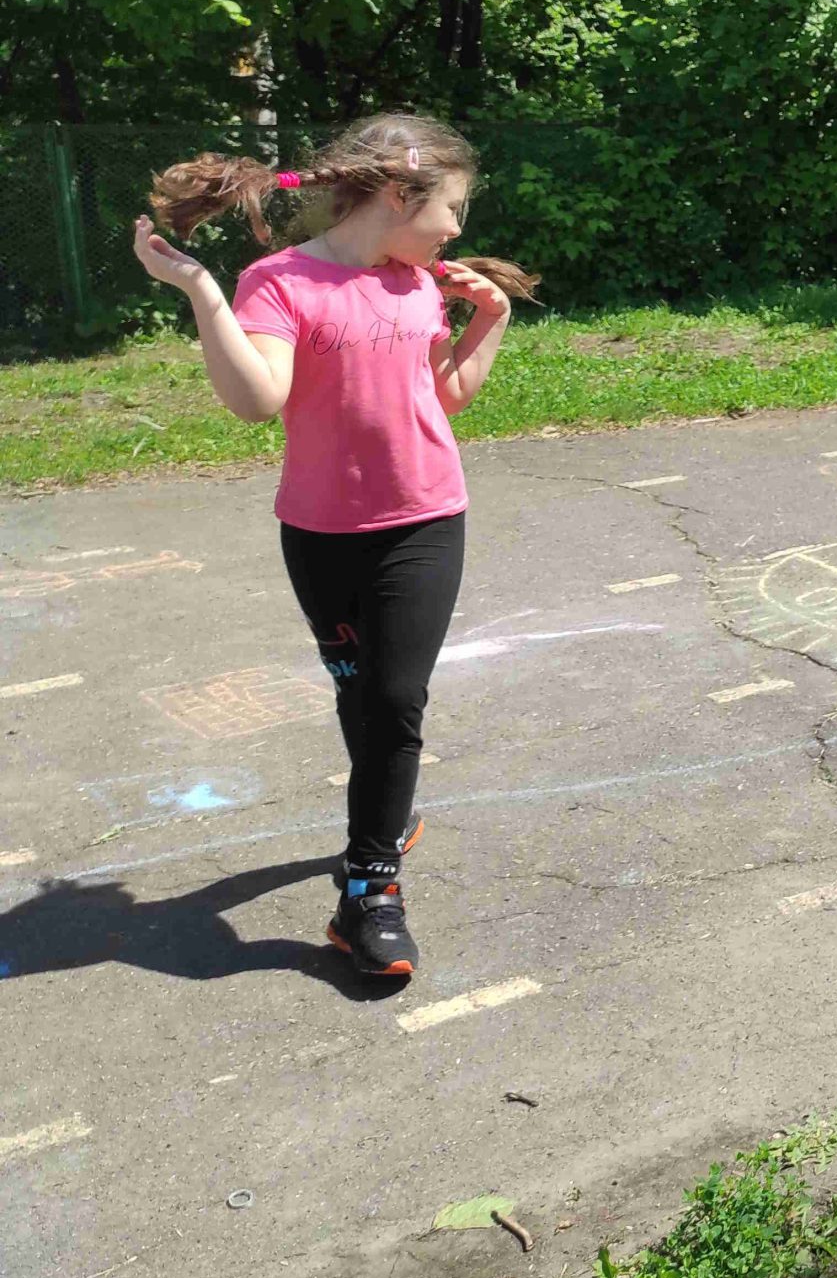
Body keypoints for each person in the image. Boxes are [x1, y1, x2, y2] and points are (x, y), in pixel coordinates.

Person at [130, 115, 538, 979]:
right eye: (452, 207)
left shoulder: (418, 283)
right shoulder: (281, 281)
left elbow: (444, 397)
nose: (456, 228)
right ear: (398, 195)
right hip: (320, 536)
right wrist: (202, 291)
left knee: (393, 698)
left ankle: (369, 893)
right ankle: (387, 810)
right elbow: (257, 400)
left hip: (425, 520)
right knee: (361, 700)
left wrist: (491, 319)